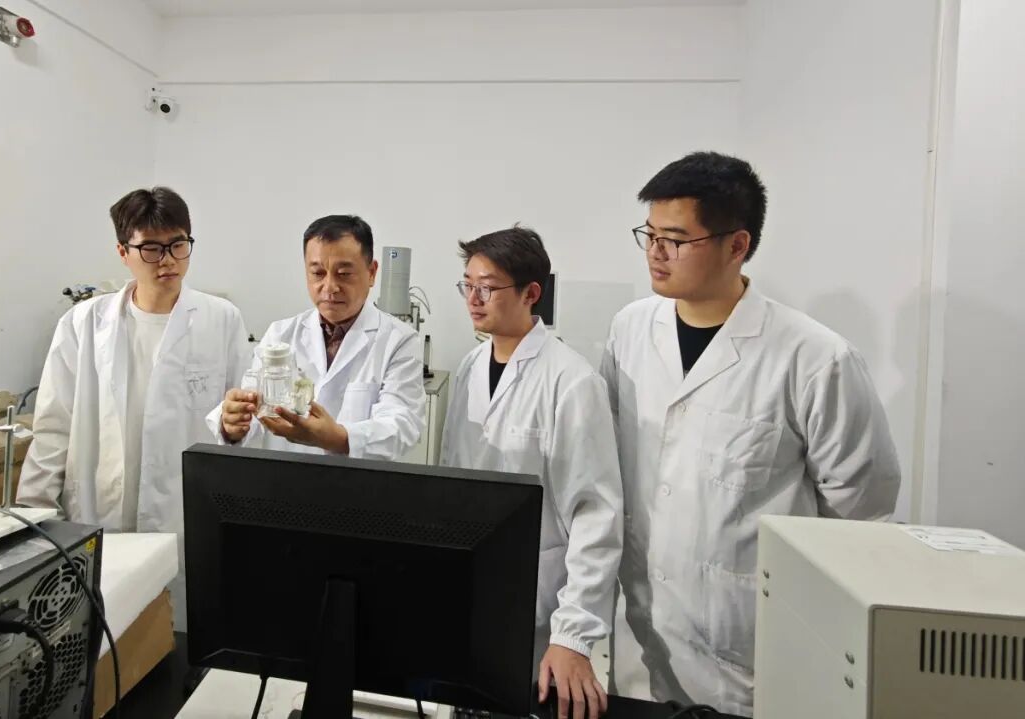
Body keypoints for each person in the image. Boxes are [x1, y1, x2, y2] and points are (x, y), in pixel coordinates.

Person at [600, 151, 901, 716]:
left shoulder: (816, 359)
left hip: (747, 653)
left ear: (736, 245)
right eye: (649, 235)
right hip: (639, 637)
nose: (655, 252)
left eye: (675, 239)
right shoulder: (629, 330)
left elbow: (859, 514)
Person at [17, 186, 253, 626]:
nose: (167, 260)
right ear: (123, 252)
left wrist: (235, 425)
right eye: (151, 248)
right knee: (96, 639)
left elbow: (242, 424)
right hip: (98, 512)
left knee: (175, 636)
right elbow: (53, 427)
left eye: (178, 244)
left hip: (182, 517)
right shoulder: (83, 324)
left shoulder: (222, 319)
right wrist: (33, 517)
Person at [440, 226, 623, 719]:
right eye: (467, 285)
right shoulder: (470, 366)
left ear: (531, 293)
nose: (473, 299)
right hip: (473, 590)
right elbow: (454, 478)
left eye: (487, 288)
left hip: (543, 605)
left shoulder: (572, 381)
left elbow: (596, 516)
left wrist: (573, 635)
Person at [210, 214, 425, 459]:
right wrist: (233, 424)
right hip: (285, 478)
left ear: (372, 272)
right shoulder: (280, 334)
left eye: (343, 273)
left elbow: (401, 425)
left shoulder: (399, 341)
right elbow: (256, 414)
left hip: (358, 481)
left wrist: (339, 438)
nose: (329, 286)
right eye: (318, 273)